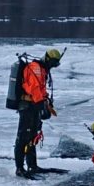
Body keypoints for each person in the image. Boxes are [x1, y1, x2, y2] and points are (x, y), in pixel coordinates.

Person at [14, 49, 62, 178]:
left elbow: (41, 89)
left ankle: (32, 165)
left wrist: (47, 103)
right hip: (28, 106)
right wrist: (40, 104)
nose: (52, 66)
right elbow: (34, 87)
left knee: (33, 136)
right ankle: (19, 168)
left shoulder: (42, 70)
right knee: (23, 136)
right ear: (47, 59)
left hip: (34, 106)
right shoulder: (35, 68)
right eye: (52, 63)